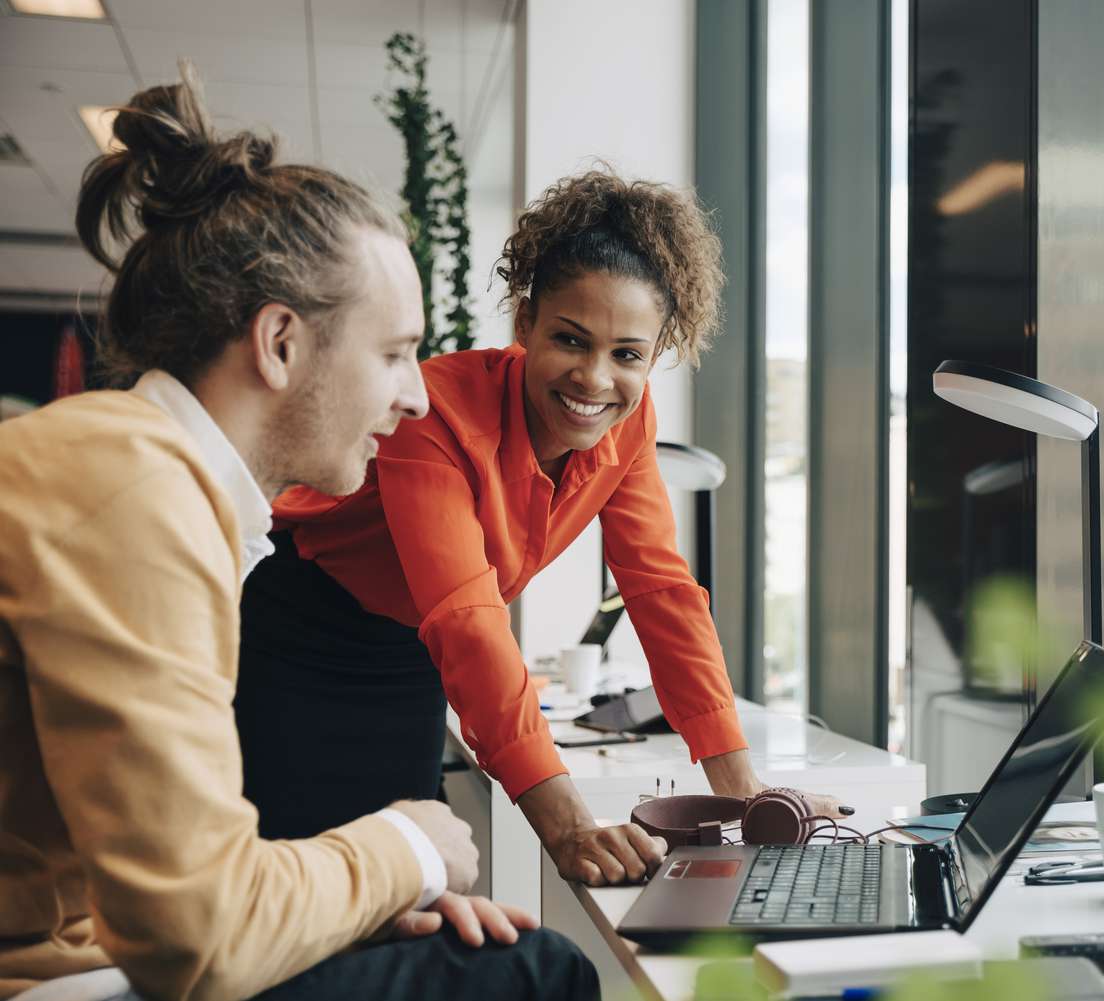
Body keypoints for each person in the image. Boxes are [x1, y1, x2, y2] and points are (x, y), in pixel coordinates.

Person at [0, 68, 596, 1001]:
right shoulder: (134, 493)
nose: (413, 393)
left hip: (93, 951)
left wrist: (356, 901)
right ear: (280, 343)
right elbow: (198, 940)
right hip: (53, 982)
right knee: (537, 974)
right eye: (396, 353)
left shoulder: (152, 476)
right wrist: (408, 844)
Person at [235, 169, 848, 887]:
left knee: (406, 891)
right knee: (297, 885)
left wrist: (745, 790)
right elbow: (467, 616)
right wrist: (568, 824)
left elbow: (660, 589)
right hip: (296, 628)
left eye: (627, 355)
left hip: (408, 651)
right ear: (525, 323)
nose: (594, 379)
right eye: (570, 339)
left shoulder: (630, 422)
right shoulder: (433, 412)